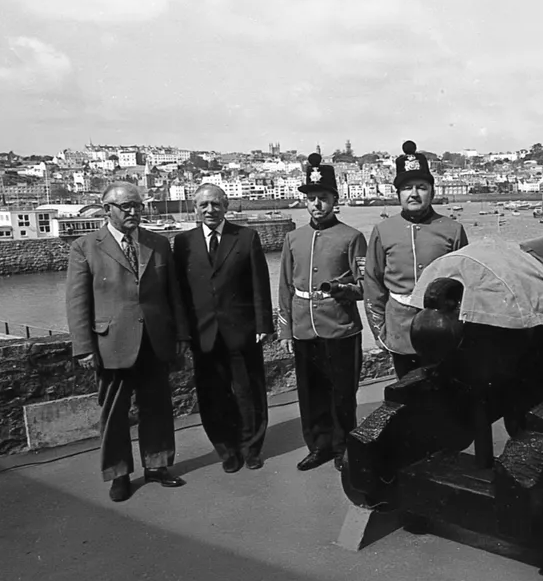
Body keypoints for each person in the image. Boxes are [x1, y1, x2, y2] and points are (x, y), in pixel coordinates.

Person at [65, 182, 189, 502]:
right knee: (114, 414)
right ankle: (118, 474)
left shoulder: (157, 243)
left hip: (155, 340)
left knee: (158, 408)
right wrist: (84, 348)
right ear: (107, 209)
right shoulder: (85, 247)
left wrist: (180, 334)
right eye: (126, 207)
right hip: (112, 343)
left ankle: (157, 465)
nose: (134, 212)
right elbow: (77, 302)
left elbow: (173, 294)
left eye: (138, 206)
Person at [173, 183, 274, 473]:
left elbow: (259, 283)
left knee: (248, 393)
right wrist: (183, 332)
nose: (210, 210)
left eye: (216, 204)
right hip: (203, 333)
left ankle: (251, 448)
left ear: (226, 206)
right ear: (195, 208)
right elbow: (179, 292)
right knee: (212, 396)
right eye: (203, 205)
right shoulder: (183, 242)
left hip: (242, 330)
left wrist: (263, 324)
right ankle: (226, 450)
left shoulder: (246, 237)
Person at [278, 153, 367, 472]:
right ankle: (319, 446)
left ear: (335, 200)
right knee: (310, 392)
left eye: (323, 198)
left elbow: (365, 286)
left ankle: (343, 447)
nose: (317, 204)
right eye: (311, 198)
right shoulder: (293, 238)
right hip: (304, 327)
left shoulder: (352, 237)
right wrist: (286, 330)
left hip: (340, 326)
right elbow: (285, 286)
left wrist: (341, 289)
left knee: (342, 394)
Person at [364, 140, 468, 379]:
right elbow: (373, 283)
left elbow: (465, 282)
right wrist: (380, 331)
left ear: (432, 191)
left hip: (444, 330)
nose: (413, 194)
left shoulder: (453, 229)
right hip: (400, 331)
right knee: (406, 391)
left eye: (421, 187)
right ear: (398, 194)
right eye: (406, 188)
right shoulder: (383, 230)